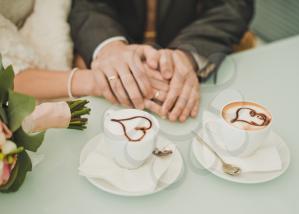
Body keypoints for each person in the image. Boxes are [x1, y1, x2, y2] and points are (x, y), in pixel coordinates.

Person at [69, 0, 254, 122]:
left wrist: (187, 54)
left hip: (193, 61)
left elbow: (233, 5)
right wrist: (108, 46)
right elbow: (87, 4)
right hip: (108, 77)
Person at [0, 0, 165, 112]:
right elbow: (7, 74)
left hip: (68, 46)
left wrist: (98, 55)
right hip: (23, 103)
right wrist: (98, 80)